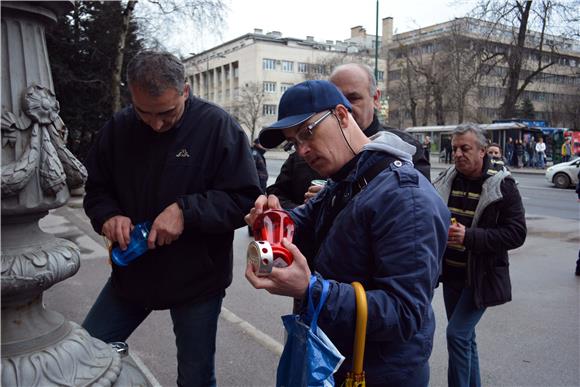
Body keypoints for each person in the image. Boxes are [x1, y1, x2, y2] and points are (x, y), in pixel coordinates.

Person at [246, 80, 450, 386]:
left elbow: (405, 314)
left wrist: (311, 290)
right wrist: (268, 220)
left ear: (342, 115)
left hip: (379, 373)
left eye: (307, 132)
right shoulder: (347, 181)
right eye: (293, 141)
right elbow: (299, 224)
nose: (301, 150)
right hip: (337, 360)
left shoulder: (405, 197)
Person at [82, 51, 262, 386]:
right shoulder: (119, 128)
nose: (156, 124)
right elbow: (96, 191)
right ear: (131, 95)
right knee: (84, 352)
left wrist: (186, 211)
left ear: (186, 91)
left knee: (195, 378)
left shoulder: (217, 127)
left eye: (167, 113)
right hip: (132, 273)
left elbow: (245, 199)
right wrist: (108, 216)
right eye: (143, 113)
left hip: (196, 281)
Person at [433, 123, 527, 387]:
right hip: (451, 274)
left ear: (483, 151)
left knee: (457, 335)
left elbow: (516, 233)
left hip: (481, 276)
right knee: (465, 338)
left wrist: (469, 237)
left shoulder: (502, 185)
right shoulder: (446, 179)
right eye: (454, 149)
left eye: (465, 148)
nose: (458, 154)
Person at [266, 62, 430, 209]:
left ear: (375, 98)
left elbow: (416, 210)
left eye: (353, 98)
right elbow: (277, 195)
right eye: (334, 98)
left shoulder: (405, 152)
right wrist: (303, 213)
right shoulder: (302, 152)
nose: (345, 106)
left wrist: (335, 200)